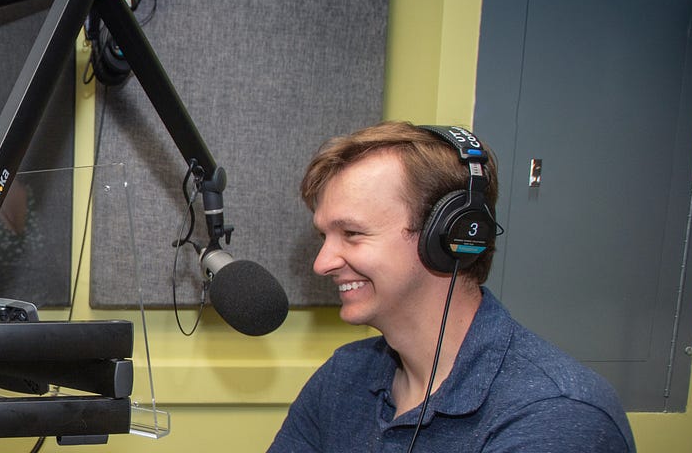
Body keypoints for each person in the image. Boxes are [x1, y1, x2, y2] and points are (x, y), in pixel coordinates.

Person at [269, 122, 634, 451]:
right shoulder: (344, 376)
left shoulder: (556, 416)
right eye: (324, 236)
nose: (322, 263)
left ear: (448, 237)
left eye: (352, 233)